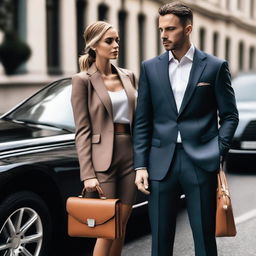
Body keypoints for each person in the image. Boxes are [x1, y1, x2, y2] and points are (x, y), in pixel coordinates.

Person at [133, 2, 239, 256]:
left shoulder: (214, 66)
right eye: (160, 30)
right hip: (161, 165)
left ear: (188, 29)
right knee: (159, 241)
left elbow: (230, 116)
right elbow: (143, 120)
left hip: (200, 162)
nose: (163, 35)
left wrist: (217, 150)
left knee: (204, 240)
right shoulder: (150, 67)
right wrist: (140, 165)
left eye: (170, 29)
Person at [71, 21, 137, 256]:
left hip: (130, 155)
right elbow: (82, 130)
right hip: (102, 161)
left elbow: (137, 120)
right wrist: (87, 174)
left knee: (122, 223)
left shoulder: (129, 76)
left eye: (117, 40)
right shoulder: (83, 81)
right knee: (106, 226)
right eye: (109, 41)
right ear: (94, 45)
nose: (116, 45)